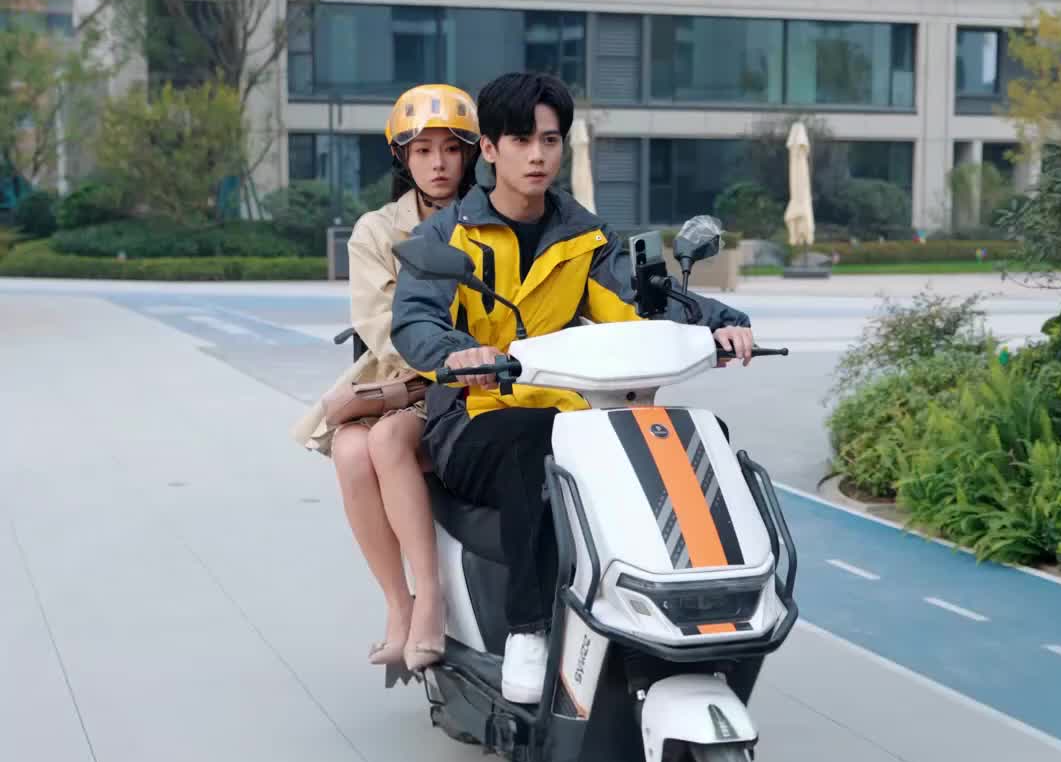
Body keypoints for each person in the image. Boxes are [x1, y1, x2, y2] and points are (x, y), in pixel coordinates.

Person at [391, 72, 753, 705]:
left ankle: (695, 602)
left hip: (570, 413)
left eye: (551, 140)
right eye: (521, 140)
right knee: (535, 446)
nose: (538, 155)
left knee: (690, 437)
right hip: (473, 416)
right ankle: (528, 630)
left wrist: (720, 324)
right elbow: (416, 320)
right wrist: (458, 354)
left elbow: (646, 301)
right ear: (490, 149)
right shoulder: (446, 237)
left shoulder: (587, 238)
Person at [293, 85, 480, 672]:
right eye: (422, 150)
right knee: (351, 452)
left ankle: (431, 598)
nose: (438, 163)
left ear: (472, 153)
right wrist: (438, 354)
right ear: (402, 157)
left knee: (387, 439)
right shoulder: (377, 230)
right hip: (401, 375)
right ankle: (399, 605)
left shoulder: (488, 216)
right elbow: (377, 323)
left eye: (450, 149)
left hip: (469, 381)